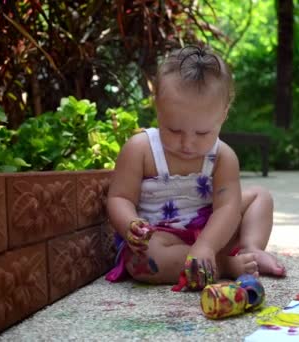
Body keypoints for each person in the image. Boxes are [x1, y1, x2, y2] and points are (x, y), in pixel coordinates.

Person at [105, 46, 286, 290]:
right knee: (147, 260)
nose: (188, 143)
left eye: (202, 132)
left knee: (260, 197)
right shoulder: (141, 149)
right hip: (162, 237)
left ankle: (250, 249)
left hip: (211, 230)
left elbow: (228, 210)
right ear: (158, 108)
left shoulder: (223, 156)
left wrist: (207, 244)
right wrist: (130, 224)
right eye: (174, 130)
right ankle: (225, 265)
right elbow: (119, 197)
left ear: (223, 116)